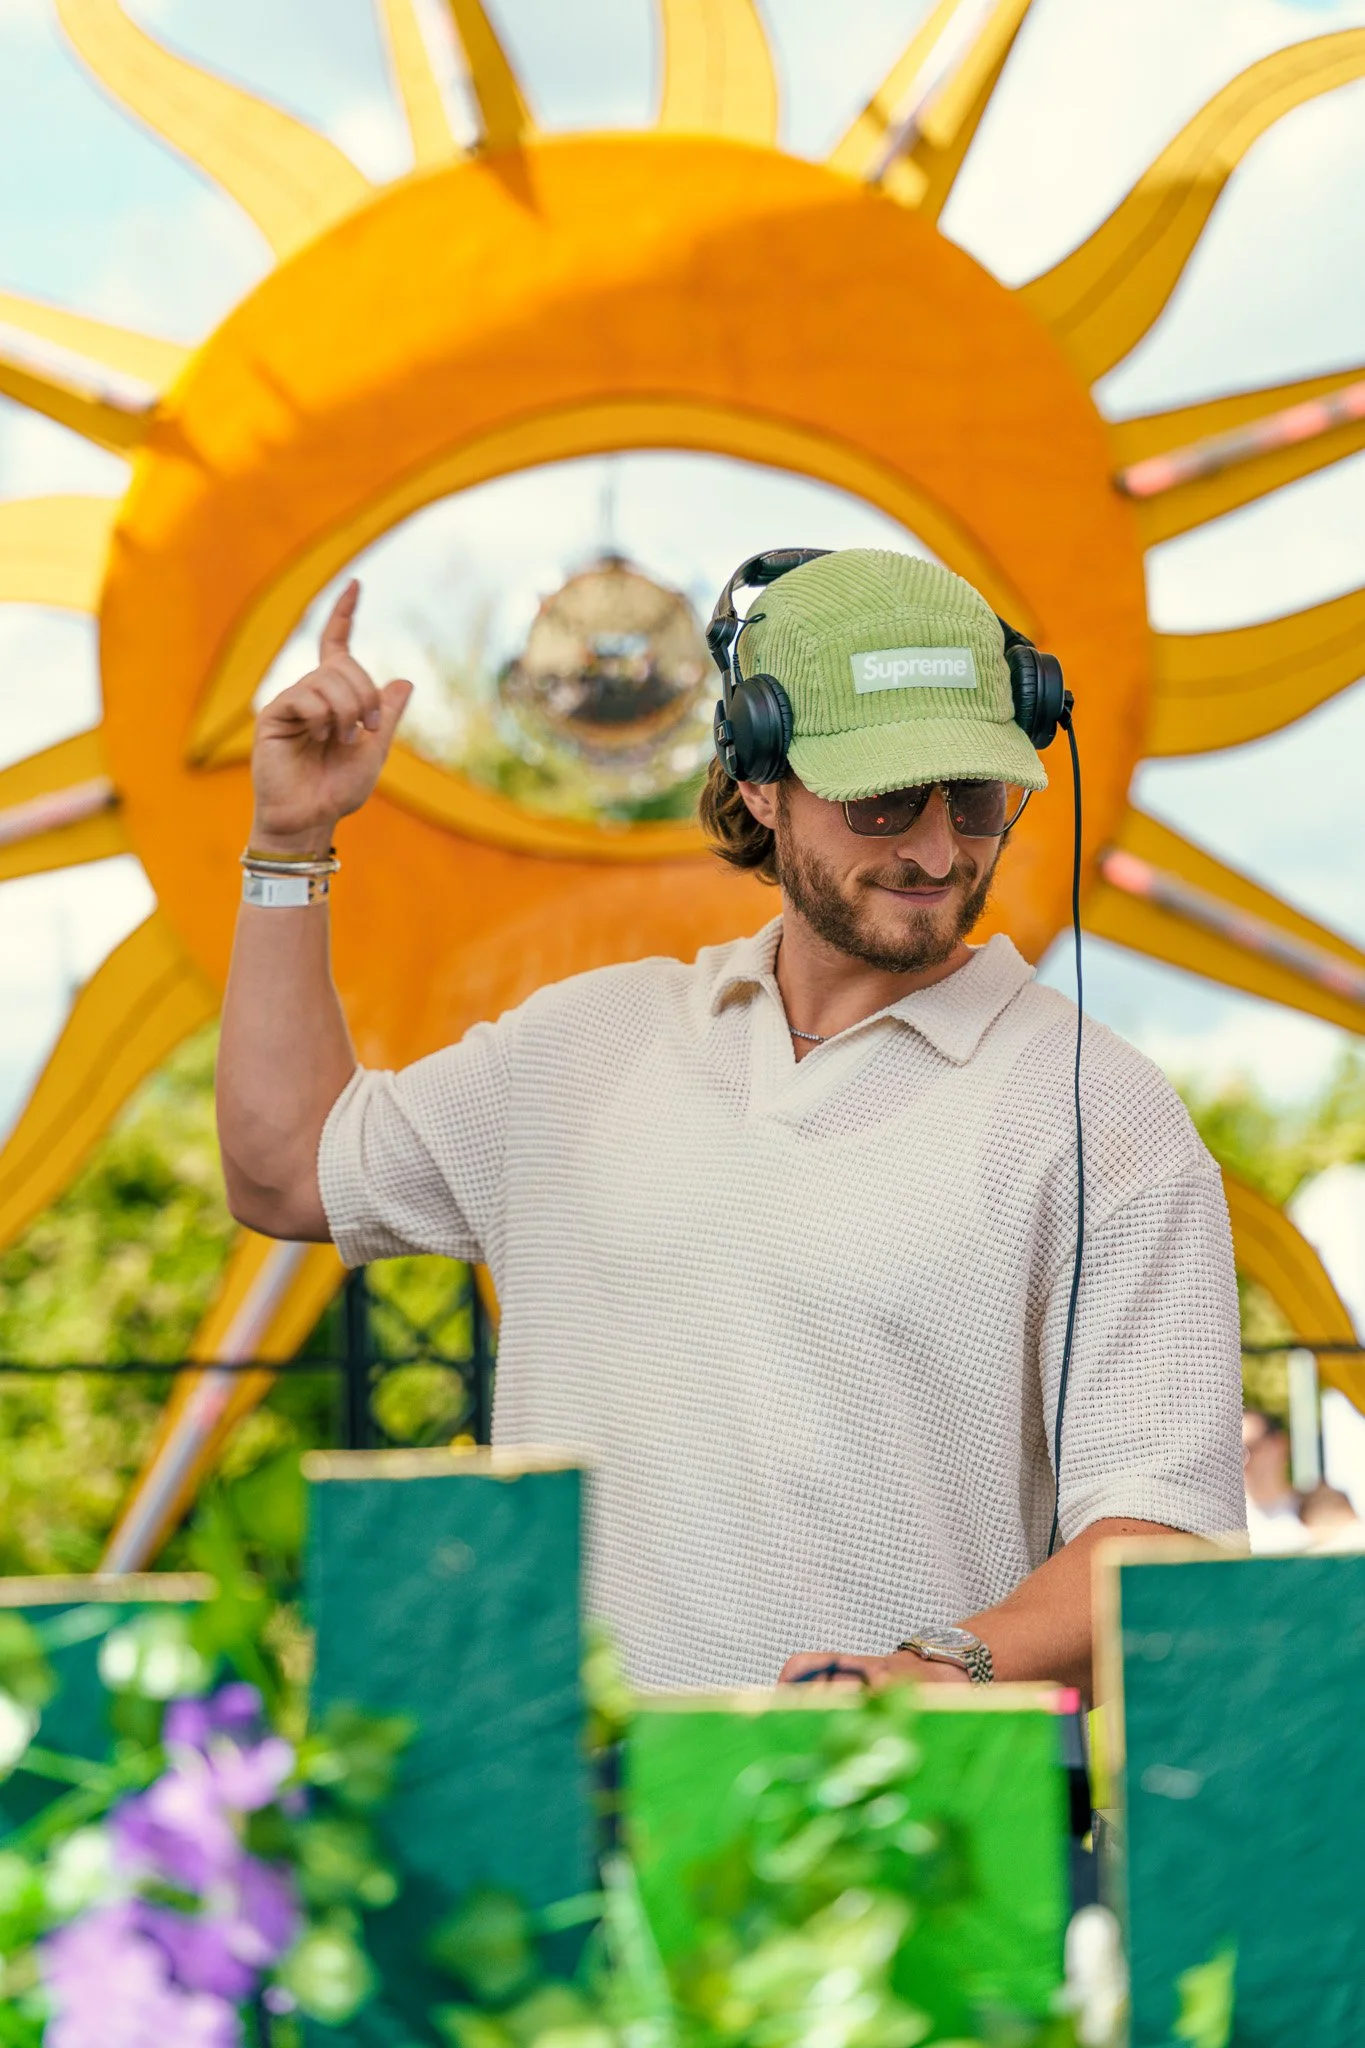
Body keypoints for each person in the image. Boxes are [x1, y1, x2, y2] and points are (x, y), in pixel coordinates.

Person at [217, 548, 1245, 1698]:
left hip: (890, 1826)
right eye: (884, 799)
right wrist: (291, 843)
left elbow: (1163, 1532)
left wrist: (931, 1666)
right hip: (567, 1812)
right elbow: (282, 1173)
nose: (938, 848)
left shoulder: (1103, 1107)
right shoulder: (582, 1043)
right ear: (758, 776)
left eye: (977, 797)